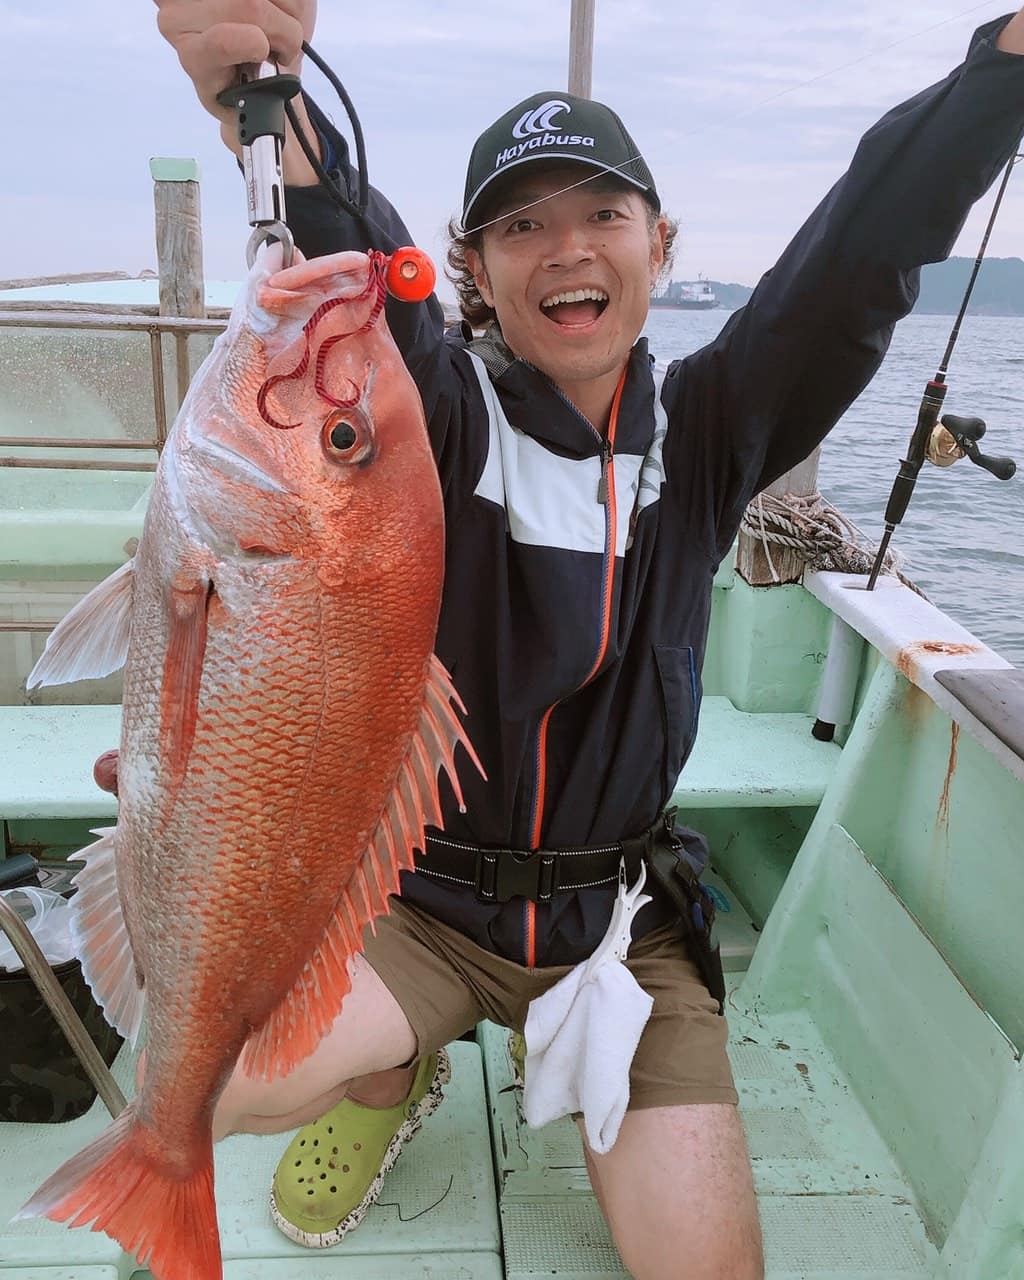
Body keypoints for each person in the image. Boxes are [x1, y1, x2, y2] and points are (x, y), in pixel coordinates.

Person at [146, 4, 1024, 1277]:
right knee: (201, 1080)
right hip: (419, 901)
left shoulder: (716, 428)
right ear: (472, 271)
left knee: (709, 1266)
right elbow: (343, 237)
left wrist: (995, 77)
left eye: (602, 213)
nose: (566, 247)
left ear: (658, 246)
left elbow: (857, 260)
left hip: (620, 919)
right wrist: (249, 88)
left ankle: (545, 1045)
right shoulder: (433, 418)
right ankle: (391, 1074)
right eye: (520, 224)